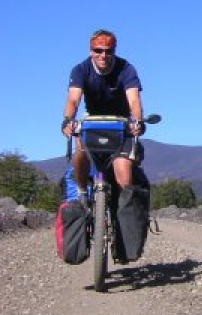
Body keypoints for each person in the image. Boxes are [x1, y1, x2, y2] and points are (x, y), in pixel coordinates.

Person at [61, 29, 144, 204]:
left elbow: (134, 99)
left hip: (121, 123)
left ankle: (123, 212)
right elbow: (73, 99)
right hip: (93, 120)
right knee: (80, 147)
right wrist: (68, 120)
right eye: (98, 50)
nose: (103, 55)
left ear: (114, 50)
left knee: (123, 172)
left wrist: (137, 121)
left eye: (109, 50)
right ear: (91, 50)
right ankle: (82, 191)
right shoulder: (80, 70)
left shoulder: (126, 69)